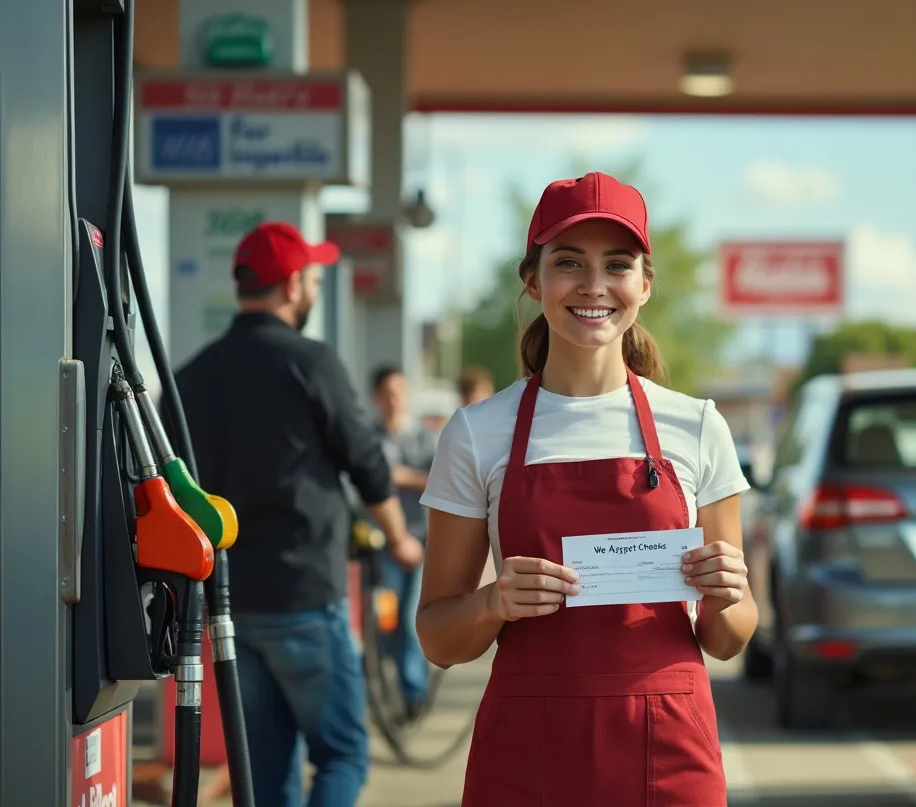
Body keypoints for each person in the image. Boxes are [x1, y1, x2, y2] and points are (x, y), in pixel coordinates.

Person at [416, 172, 757, 806]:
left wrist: (727, 592)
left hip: (669, 744)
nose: (594, 285)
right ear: (533, 279)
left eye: (617, 265)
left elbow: (730, 636)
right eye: (568, 262)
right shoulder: (476, 433)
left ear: (645, 285)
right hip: (529, 748)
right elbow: (437, 637)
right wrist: (494, 602)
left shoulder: (699, 426)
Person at [174, 221, 422, 807]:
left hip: (229, 602)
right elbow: (366, 462)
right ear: (291, 286)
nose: (316, 284)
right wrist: (399, 538)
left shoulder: (191, 375)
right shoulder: (311, 363)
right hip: (305, 593)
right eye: (313, 276)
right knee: (342, 755)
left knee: (265, 768)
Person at [369, 363, 435, 718]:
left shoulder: (427, 439)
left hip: (423, 546)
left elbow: (442, 481)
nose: (395, 400)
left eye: (400, 392)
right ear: (376, 398)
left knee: (412, 619)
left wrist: (398, 477)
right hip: (382, 552)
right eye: (388, 393)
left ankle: (414, 694)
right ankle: (401, 686)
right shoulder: (368, 440)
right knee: (386, 624)